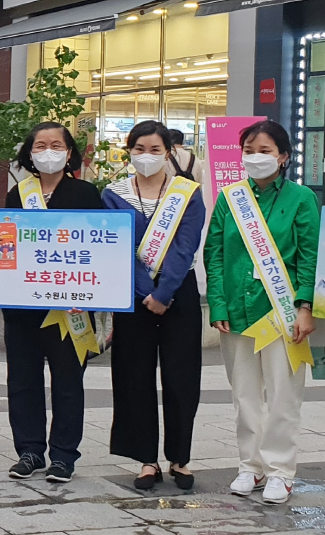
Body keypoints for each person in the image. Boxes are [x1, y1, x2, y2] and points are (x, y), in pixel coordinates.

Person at [204, 119, 319, 505]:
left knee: (284, 394)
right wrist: (217, 303)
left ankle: (280, 470)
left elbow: (310, 256)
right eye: (249, 151)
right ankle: (249, 466)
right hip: (237, 309)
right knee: (245, 395)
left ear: (283, 156)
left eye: (265, 151)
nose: (256, 158)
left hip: (281, 312)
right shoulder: (230, 197)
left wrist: (305, 306)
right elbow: (214, 254)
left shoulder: (302, 199)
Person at [0, 122, 105, 484]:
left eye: (57, 145)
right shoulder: (17, 194)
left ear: (69, 153)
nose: (48, 151)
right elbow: (9, 250)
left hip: (69, 309)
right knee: (22, 379)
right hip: (22, 306)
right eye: (41, 145)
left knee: (68, 381)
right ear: (30, 152)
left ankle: (64, 456)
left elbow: (99, 249)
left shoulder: (85, 193)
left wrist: (90, 297)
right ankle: (30, 451)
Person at [102, 121, 206, 491]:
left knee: (181, 376)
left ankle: (180, 458)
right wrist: (144, 290)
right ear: (128, 151)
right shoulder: (112, 194)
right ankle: (146, 459)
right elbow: (114, 246)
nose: (147, 157)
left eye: (155, 150)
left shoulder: (187, 193)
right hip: (131, 297)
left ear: (170, 152)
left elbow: (185, 245)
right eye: (139, 149)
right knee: (134, 376)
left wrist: (163, 294)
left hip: (179, 294)